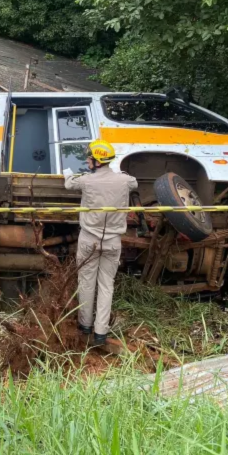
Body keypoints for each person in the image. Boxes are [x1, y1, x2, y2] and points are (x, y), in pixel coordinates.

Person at [63, 139, 138, 345]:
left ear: (97, 161)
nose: (87, 161)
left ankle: (85, 325)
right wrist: (120, 175)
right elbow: (134, 182)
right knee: (107, 285)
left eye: (89, 158)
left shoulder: (86, 180)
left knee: (86, 282)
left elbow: (69, 184)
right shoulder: (124, 181)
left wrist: (68, 172)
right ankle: (101, 333)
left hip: (89, 240)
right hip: (113, 241)